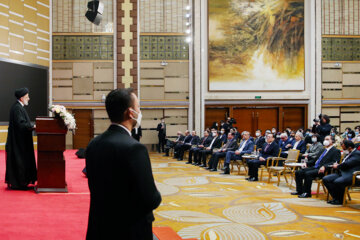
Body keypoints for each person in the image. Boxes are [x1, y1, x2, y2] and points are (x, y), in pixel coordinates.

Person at [85, 88, 161, 240]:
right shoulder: (135, 148)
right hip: (129, 230)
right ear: (130, 112)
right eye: (138, 107)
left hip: (100, 226)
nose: (140, 112)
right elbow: (150, 198)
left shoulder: (93, 144)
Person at [5, 88, 37, 190]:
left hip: (20, 142)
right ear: (22, 98)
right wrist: (32, 126)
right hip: (18, 143)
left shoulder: (18, 107)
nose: (29, 98)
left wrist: (31, 126)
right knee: (20, 162)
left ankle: (24, 182)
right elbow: (21, 124)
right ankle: (21, 183)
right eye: (27, 97)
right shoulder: (17, 108)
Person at [323, 140, 360, 205]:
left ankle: (340, 200)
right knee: (326, 179)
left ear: (349, 147)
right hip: (342, 173)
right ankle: (336, 198)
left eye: (343, 146)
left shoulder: (357, 154)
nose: (342, 148)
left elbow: (347, 164)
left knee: (337, 182)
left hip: (352, 174)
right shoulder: (349, 153)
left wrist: (337, 166)